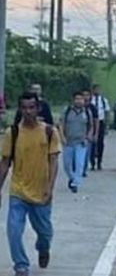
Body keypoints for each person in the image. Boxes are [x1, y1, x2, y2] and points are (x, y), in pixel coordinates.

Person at [0, 92, 61, 276]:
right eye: (24, 107)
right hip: (18, 191)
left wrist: (50, 188)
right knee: (13, 231)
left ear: (38, 108)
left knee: (45, 232)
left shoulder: (50, 132)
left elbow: (53, 162)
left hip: (41, 192)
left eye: (31, 107)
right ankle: (21, 265)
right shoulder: (13, 133)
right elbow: (4, 162)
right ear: (20, 109)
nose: (28, 111)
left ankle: (43, 248)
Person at [61, 92, 94, 193]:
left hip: (81, 142)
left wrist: (88, 137)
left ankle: (75, 183)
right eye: (77, 99)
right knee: (66, 165)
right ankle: (72, 178)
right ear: (73, 100)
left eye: (81, 99)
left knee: (80, 164)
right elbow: (61, 125)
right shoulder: (67, 111)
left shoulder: (87, 112)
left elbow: (91, 126)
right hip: (68, 142)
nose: (78, 101)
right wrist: (62, 137)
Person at [89, 85, 109, 171]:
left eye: (98, 89)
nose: (97, 91)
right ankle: (92, 161)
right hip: (91, 122)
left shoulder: (104, 101)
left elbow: (106, 112)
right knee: (91, 142)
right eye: (95, 89)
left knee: (100, 142)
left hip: (101, 122)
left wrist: (107, 125)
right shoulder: (90, 100)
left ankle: (99, 162)